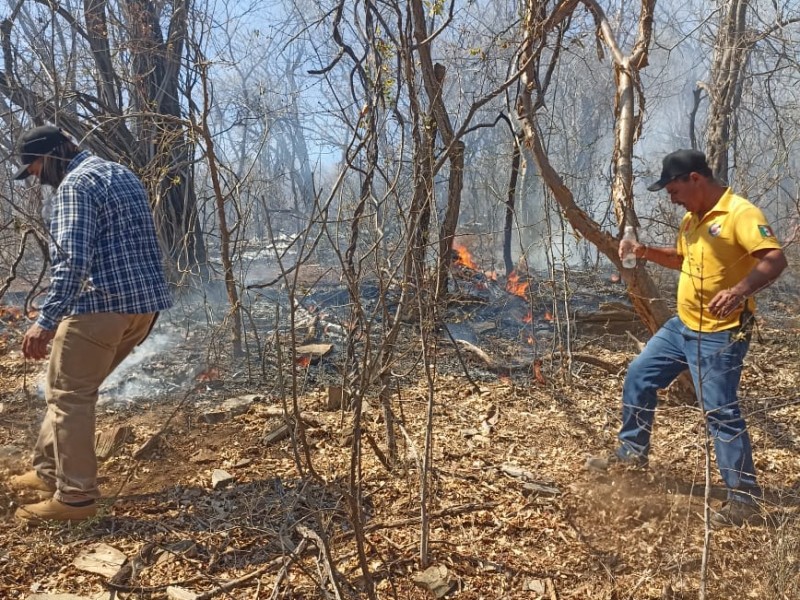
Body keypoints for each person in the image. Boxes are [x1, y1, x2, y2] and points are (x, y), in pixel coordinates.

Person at [587, 149, 787, 527]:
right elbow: (682, 259)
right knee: (639, 376)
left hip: (720, 334)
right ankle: (631, 456)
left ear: (695, 178)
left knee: (720, 412)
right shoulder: (691, 220)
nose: (671, 197)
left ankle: (743, 500)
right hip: (683, 327)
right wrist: (644, 251)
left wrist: (739, 291)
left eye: (673, 189)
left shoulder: (740, 214)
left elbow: (775, 259)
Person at [7, 125, 173, 522]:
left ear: (51, 155)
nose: (34, 176)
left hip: (98, 309)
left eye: (33, 166)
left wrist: (45, 321)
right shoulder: (119, 173)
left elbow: (72, 262)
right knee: (68, 389)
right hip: (141, 310)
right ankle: (49, 472)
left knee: (68, 396)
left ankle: (76, 499)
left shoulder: (74, 186)